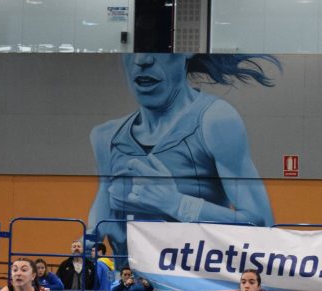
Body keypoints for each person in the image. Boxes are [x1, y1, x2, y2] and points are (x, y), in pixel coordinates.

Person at [87, 54, 279, 266]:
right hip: (129, 279)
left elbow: (261, 225)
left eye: (157, 48)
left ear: (186, 52)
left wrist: (177, 204)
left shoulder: (215, 120)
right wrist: (90, 237)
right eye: (134, 49)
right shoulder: (106, 136)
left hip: (194, 279)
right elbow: (102, 208)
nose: (142, 59)